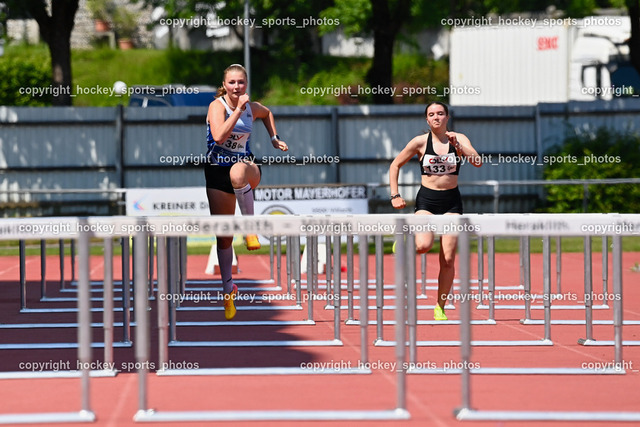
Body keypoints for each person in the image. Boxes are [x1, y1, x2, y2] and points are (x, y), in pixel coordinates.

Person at [204, 64, 288, 320]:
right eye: (232, 83)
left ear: (246, 84)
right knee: (224, 237)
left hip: (246, 166)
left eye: (241, 82)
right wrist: (238, 109)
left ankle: (250, 228)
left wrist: (274, 137)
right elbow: (218, 136)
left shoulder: (252, 107)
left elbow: (268, 113)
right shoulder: (217, 106)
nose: (237, 87)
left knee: (238, 172)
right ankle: (228, 291)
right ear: (225, 84)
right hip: (217, 170)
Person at [389, 102, 481, 320]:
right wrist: (395, 195)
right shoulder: (420, 142)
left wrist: (460, 146)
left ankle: (440, 306)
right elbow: (395, 165)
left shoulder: (459, 138)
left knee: (448, 258)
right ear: (427, 120)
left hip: (451, 203)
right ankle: (405, 243)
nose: (436, 117)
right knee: (423, 245)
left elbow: (477, 161)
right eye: (432, 114)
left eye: (440, 113)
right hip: (427, 201)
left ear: (447, 117)